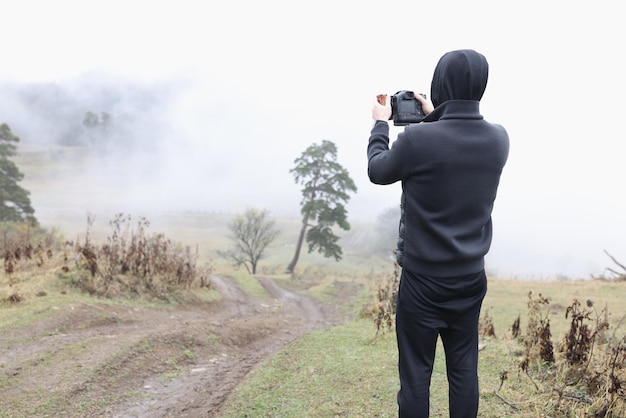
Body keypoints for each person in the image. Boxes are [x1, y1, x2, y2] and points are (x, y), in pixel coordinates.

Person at [367, 49, 509, 417]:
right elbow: (456, 145)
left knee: (416, 375)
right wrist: (438, 115)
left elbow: (379, 170)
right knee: (464, 371)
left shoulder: (418, 141)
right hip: (470, 280)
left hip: (423, 283)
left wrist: (381, 123)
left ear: (440, 83)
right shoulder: (498, 140)